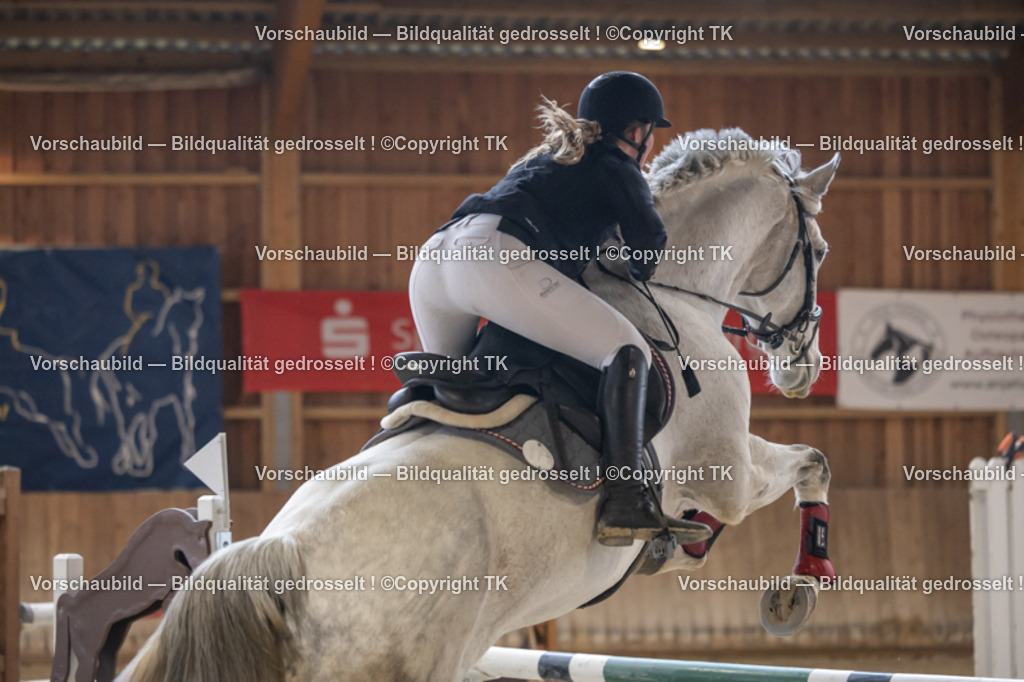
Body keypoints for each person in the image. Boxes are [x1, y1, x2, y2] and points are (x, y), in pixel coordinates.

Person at [408, 71, 703, 546]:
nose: (647, 145)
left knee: (449, 384)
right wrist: (642, 269)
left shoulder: (549, 156)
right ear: (636, 131)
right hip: (495, 259)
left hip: (435, 260)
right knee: (628, 351)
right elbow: (650, 236)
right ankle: (627, 498)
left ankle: (400, 433)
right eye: (648, 134)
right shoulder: (615, 163)